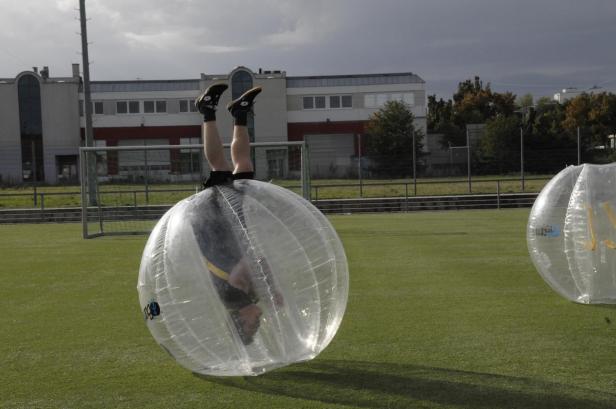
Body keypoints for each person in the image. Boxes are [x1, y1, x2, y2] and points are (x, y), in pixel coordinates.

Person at [192, 82, 265, 345]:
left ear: (239, 321)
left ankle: (206, 110)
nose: (256, 323)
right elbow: (256, 266)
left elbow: (245, 266)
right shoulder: (248, 299)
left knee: (220, 167)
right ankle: (240, 113)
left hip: (212, 225)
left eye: (250, 327)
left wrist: (268, 284)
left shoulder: (232, 299)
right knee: (244, 168)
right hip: (231, 229)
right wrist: (273, 289)